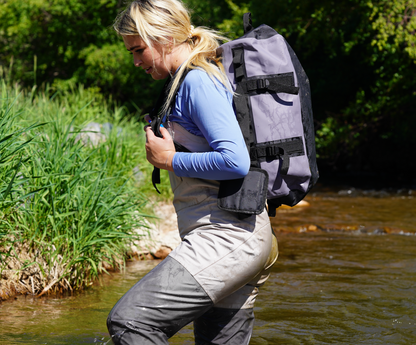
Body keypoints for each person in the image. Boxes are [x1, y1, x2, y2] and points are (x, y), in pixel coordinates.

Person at [107, 1, 278, 344]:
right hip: (236, 235)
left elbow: (235, 160)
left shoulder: (197, 81)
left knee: (131, 322)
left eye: (139, 49)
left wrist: (169, 159)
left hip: (228, 239)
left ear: (166, 37)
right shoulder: (185, 80)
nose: (136, 60)